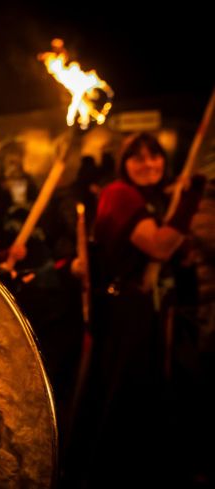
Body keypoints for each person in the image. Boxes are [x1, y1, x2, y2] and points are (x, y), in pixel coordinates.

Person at [70, 132, 205, 486]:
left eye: (154, 156)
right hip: (125, 316)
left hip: (152, 311)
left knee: (153, 397)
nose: (148, 164)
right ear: (124, 165)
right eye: (138, 158)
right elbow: (159, 246)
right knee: (125, 397)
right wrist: (190, 200)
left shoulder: (155, 199)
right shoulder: (120, 194)